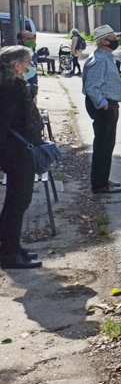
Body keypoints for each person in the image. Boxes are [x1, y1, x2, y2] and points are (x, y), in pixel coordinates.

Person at [0, 46, 44, 269]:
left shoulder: (16, 84)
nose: (32, 66)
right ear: (17, 66)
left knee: (17, 202)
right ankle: (9, 254)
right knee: (18, 202)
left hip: (19, 151)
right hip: (15, 153)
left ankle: (11, 247)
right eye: (28, 62)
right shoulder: (9, 89)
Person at [81, 25, 121, 194]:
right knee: (103, 144)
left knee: (107, 144)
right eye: (114, 38)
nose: (116, 41)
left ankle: (103, 179)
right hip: (103, 106)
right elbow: (91, 87)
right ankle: (99, 184)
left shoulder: (104, 56)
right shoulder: (99, 60)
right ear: (105, 41)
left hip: (108, 104)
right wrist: (104, 104)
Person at [16, 31, 37, 100]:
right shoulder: (18, 54)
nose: (31, 41)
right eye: (28, 39)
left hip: (31, 87)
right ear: (20, 40)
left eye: (32, 38)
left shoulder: (32, 52)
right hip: (22, 91)